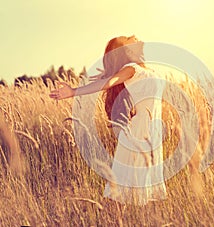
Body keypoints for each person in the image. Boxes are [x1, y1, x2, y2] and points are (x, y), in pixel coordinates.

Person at [49, 35, 167, 206]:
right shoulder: (131, 69)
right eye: (130, 39)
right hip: (140, 132)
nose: (137, 38)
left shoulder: (151, 71)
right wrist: (74, 91)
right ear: (126, 50)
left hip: (152, 129)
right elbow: (108, 82)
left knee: (145, 191)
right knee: (134, 191)